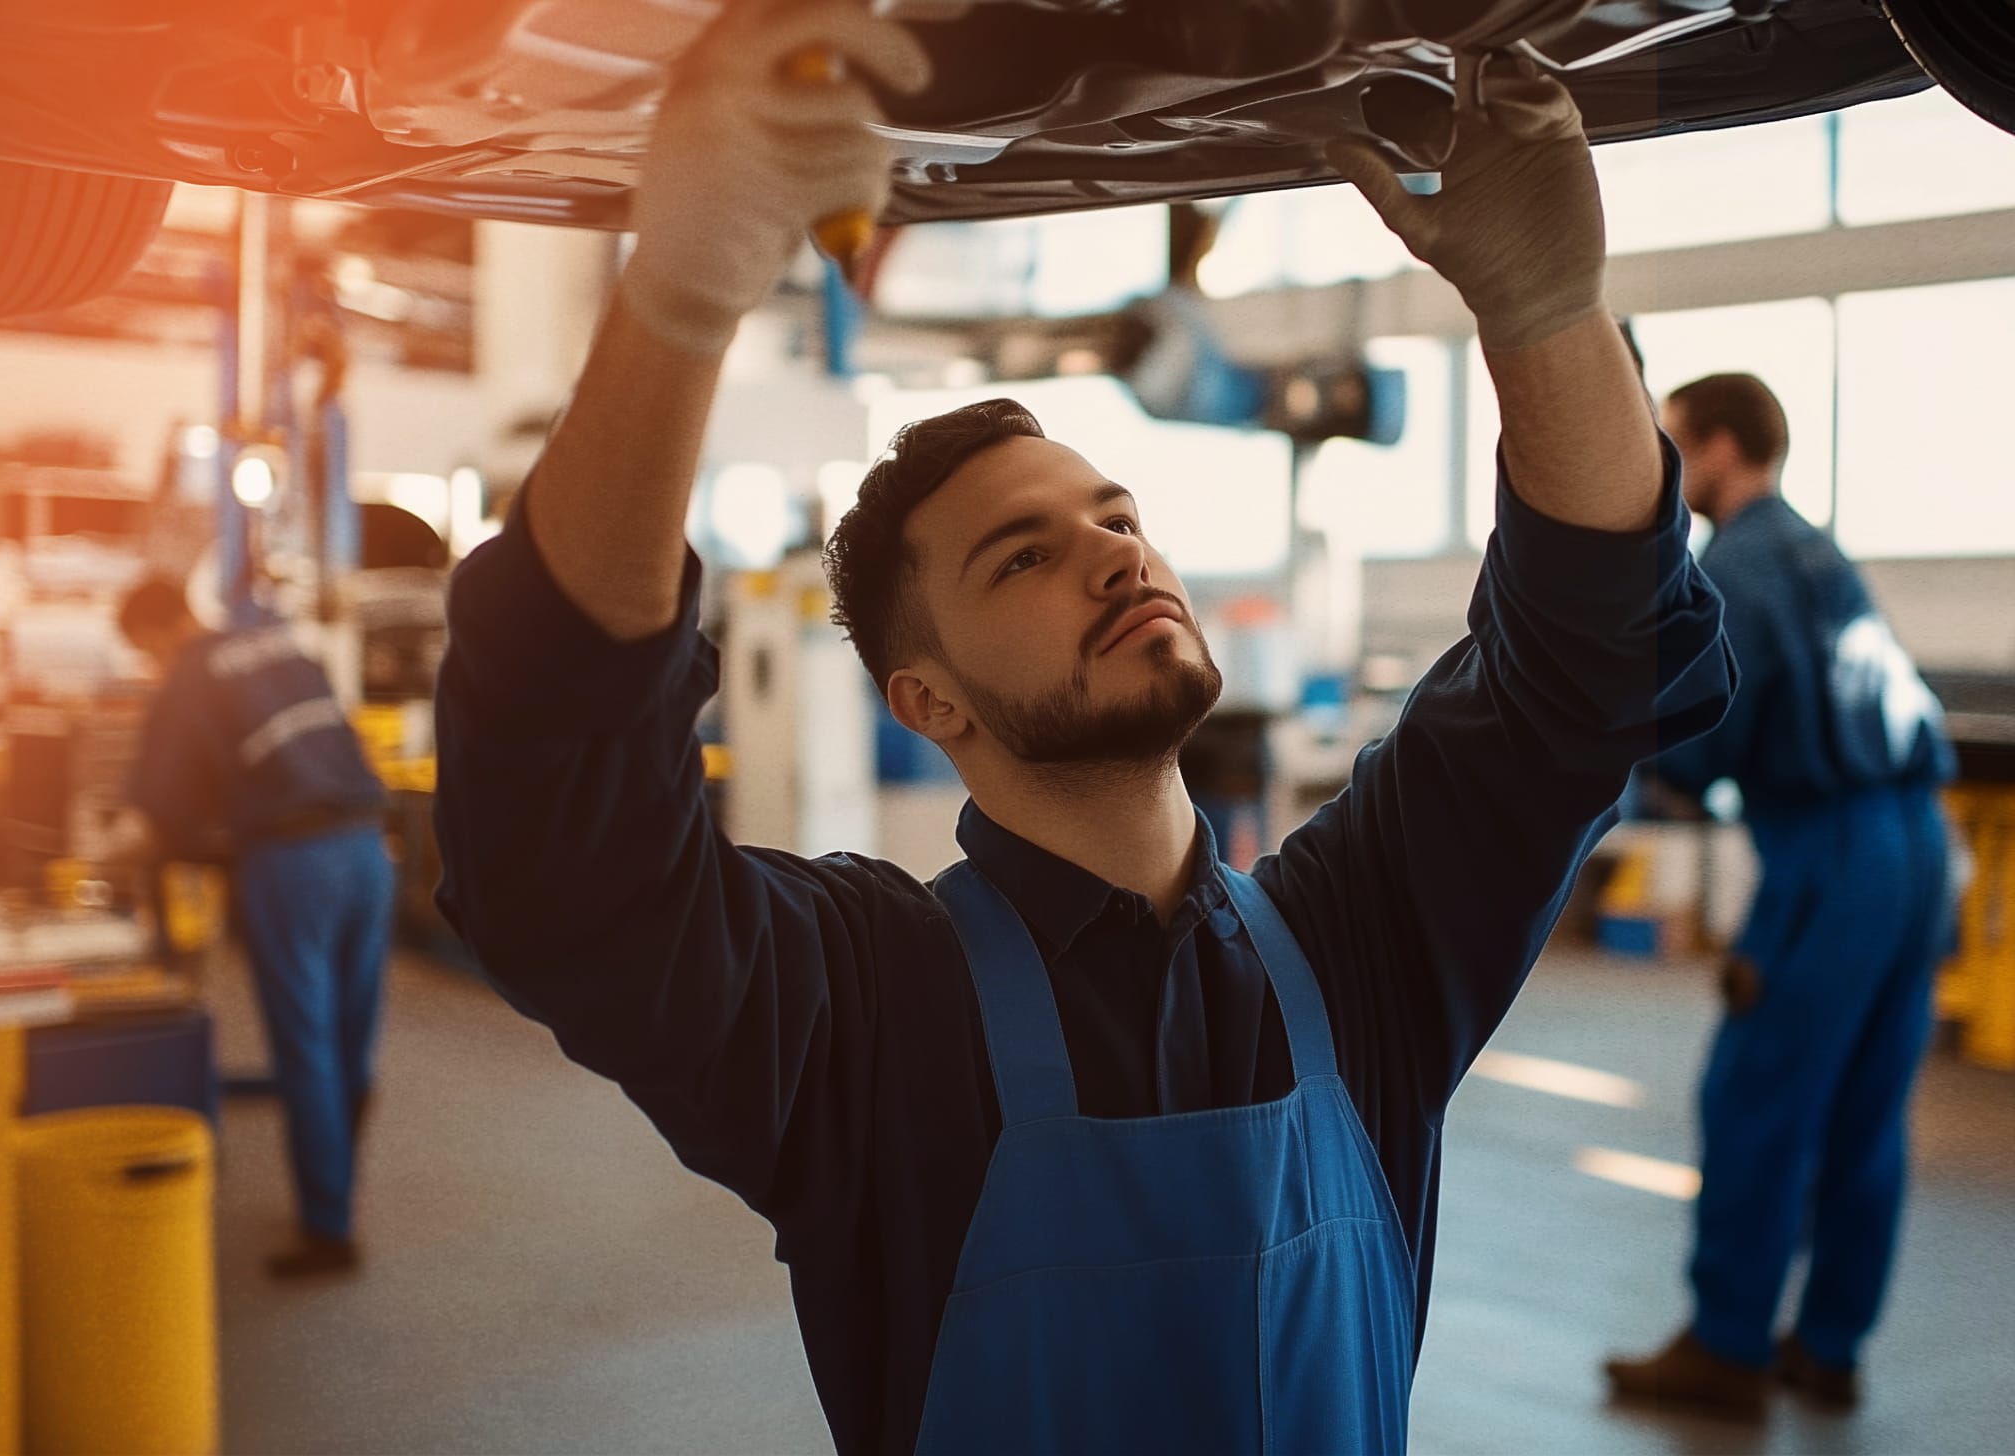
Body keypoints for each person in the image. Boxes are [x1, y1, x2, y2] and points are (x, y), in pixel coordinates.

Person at [433, 2, 1733, 1449]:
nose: (1118, 555)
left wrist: (1550, 314)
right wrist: (677, 300)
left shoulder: (1367, 945)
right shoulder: (865, 1014)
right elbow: (565, 864)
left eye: (1117, 516)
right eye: (1024, 557)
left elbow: (1590, 670)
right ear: (926, 702)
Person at [1604, 372, 1957, 1418]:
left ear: (1718, 449)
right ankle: (1830, 1345)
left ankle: (1724, 1347)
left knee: (1755, 1094)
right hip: (1916, 840)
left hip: (1829, 853)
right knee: (1864, 1104)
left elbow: (1702, 739)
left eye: (1673, 449)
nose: (1667, 475)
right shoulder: (1816, 548)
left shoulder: (1738, 568)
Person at [114, 577, 393, 1279]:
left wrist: (107, 856)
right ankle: (339, 1187)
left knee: (306, 1045)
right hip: (367, 849)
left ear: (151, 634)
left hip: (293, 863)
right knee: (351, 1039)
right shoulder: (273, 641)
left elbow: (153, 817)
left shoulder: (188, 677)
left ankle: (330, 1232)